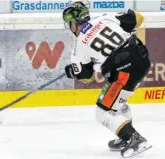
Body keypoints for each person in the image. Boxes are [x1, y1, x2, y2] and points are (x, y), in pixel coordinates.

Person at [62, 1, 152, 158]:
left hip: (124, 71)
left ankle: (134, 139)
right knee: (117, 103)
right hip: (141, 57)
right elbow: (139, 17)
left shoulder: (79, 47)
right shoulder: (104, 18)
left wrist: (73, 72)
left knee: (102, 112)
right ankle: (125, 136)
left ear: (73, 23)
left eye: (69, 24)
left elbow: (86, 78)